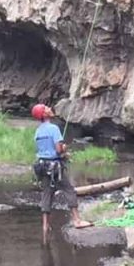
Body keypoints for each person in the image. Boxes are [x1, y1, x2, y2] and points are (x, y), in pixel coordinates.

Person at [32, 103, 92, 240]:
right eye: (46, 108)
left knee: (47, 194)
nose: (49, 109)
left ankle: (45, 226)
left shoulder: (38, 131)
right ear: (44, 114)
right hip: (54, 167)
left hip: (42, 166)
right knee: (69, 189)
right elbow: (58, 150)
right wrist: (64, 149)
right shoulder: (54, 128)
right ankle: (77, 220)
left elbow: (42, 150)